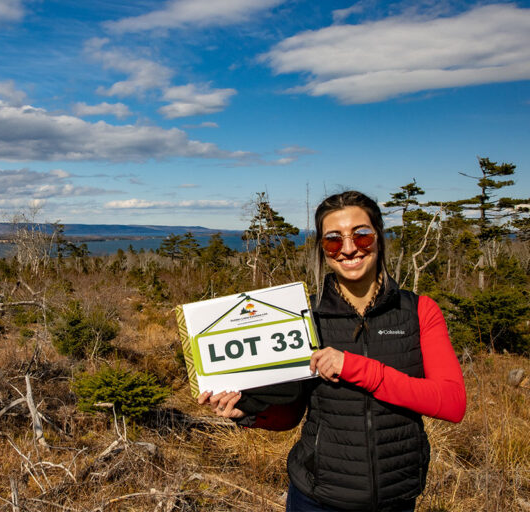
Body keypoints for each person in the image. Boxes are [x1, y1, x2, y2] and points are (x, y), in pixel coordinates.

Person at [198, 190, 466, 511]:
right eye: (334, 240)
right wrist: (248, 411)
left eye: (361, 236)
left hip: (396, 496)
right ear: (323, 249)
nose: (349, 249)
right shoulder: (306, 317)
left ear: (379, 237)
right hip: (317, 497)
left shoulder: (419, 311)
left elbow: (452, 403)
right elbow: (291, 414)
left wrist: (356, 368)